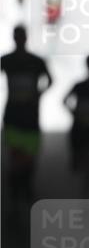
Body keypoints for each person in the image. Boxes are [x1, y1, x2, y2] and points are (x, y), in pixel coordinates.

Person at [1, 24, 52, 207]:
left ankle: (23, 188)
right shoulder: (10, 60)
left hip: (24, 114)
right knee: (17, 154)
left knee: (27, 153)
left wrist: (38, 94)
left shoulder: (15, 60)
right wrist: (38, 94)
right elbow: (50, 80)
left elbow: (50, 80)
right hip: (18, 115)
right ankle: (18, 190)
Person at [63, 55, 89, 192]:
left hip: (80, 124)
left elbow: (64, 101)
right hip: (88, 125)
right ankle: (85, 186)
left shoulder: (80, 86)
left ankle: (84, 185)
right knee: (85, 155)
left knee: (82, 156)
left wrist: (74, 113)